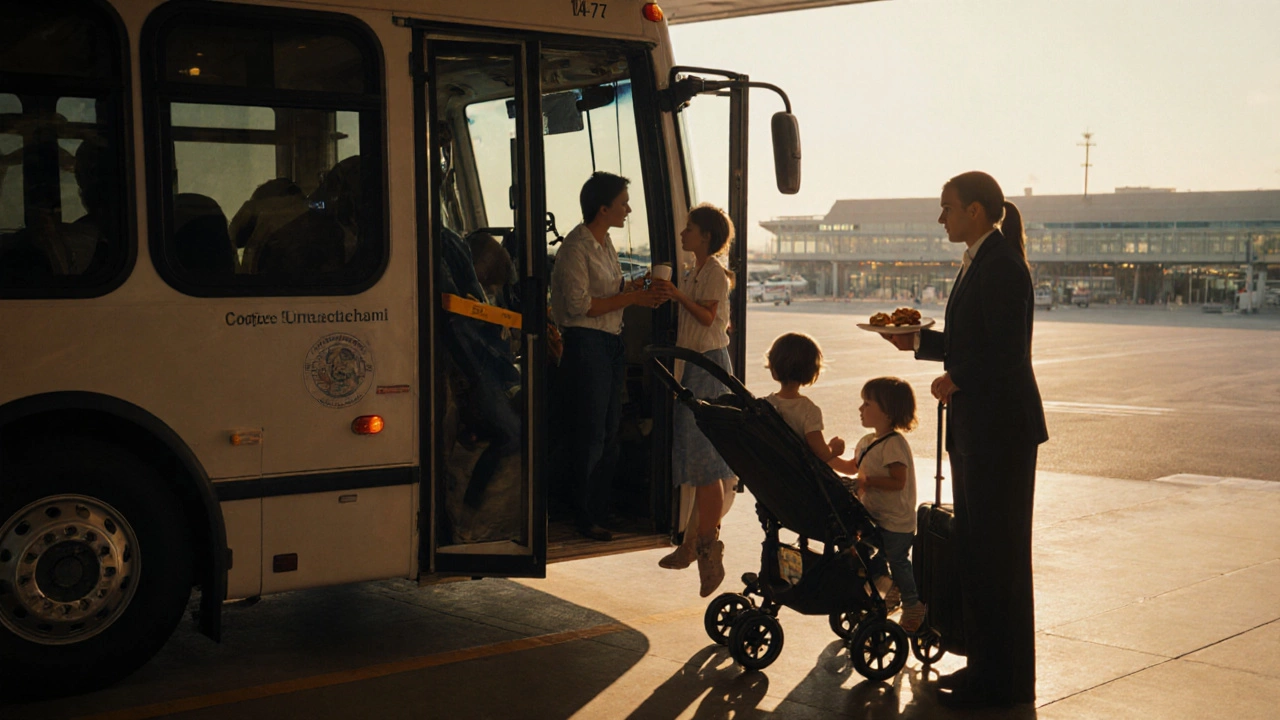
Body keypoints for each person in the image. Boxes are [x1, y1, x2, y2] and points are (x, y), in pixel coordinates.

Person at [882, 171, 1048, 709]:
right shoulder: (982, 260)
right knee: (981, 553)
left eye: (947, 207)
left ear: (975, 210)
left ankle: (1005, 683)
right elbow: (970, 340)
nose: (941, 217)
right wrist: (916, 343)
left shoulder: (1001, 265)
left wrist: (957, 377)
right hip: (980, 428)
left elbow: (1005, 352)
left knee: (1000, 556)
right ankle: (987, 670)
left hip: (1000, 431)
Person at [549, 171, 669, 541]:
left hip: (609, 344)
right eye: (623, 203)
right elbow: (580, 305)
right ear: (603, 209)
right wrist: (631, 297)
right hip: (586, 344)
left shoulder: (604, 244)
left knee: (609, 431)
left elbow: (611, 291)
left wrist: (639, 287)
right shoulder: (575, 249)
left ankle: (599, 510)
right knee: (590, 434)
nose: (628, 209)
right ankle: (583, 513)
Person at [650, 204, 738, 597]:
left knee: (706, 463)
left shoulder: (714, 272)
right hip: (696, 363)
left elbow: (707, 318)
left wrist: (676, 296)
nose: (683, 235)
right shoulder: (696, 272)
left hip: (706, 365)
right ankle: (693, 546)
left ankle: (706, 552)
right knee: (702, 461)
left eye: (690, 229)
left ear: (705, 236)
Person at [849, 377, 926, 633]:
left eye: (867, 403)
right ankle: (889, 587)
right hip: (874, 517)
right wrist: (824, 457)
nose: (861, 408)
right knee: (864, 550)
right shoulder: (866, 442)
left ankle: (913, 604)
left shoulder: (894, 444)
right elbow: (852, 468)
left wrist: (867, 481)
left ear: (888, 412)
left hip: (896, 521)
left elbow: (898, 481)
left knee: (897, 559)